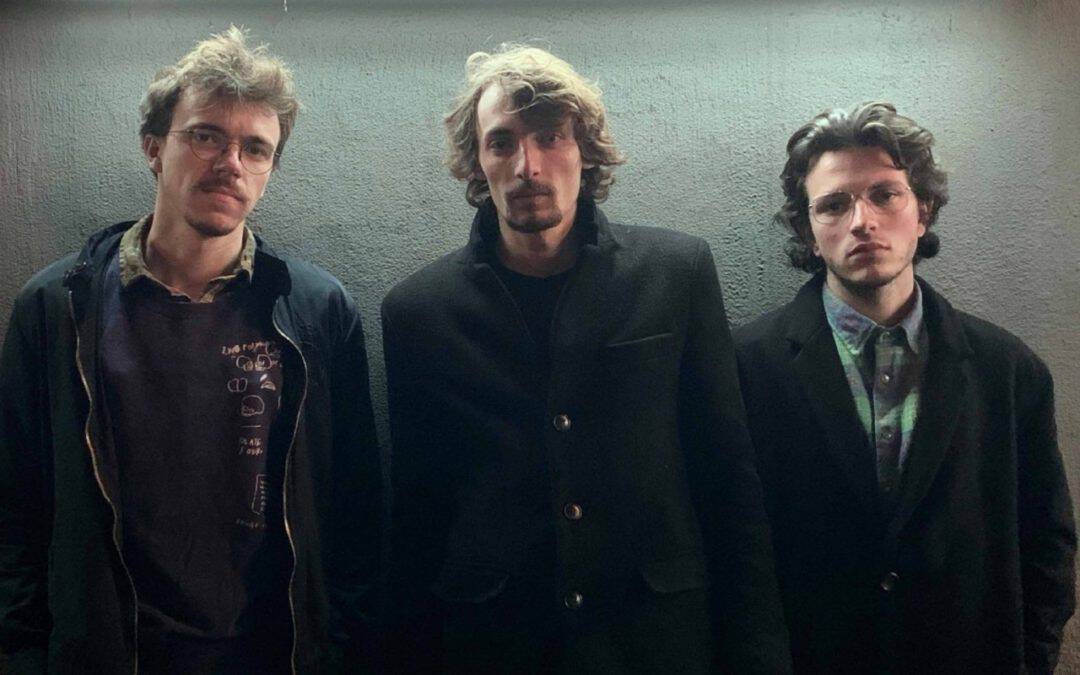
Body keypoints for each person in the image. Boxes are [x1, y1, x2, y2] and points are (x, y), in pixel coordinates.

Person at [381, 44, 790, 673]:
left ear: (585, 151)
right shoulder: (418, 311)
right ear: (478, 162)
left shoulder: (676, 273)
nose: (528, 166)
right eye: (501, 143)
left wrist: (758, 654)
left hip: (655, 640)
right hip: (495, 644)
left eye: (550, 137)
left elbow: (727, 476)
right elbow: (417, 512)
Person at [0, 27, 381, 673]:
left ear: (269, 170)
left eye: (255, 148)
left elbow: (356, 513)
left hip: (273, 656)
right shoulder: (56, 308)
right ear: (154, 147)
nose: (231, 162)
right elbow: (14, 509)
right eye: (206, 135)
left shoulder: (317, 311)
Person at [734, 101, 1076, 673]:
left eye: (885, 195)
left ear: (923, 210)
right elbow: (729, 544)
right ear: (809, 232)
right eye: (833, 204)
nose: (862, 221)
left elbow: (1048, 543)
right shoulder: (745, 367)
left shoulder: (1007, 369)